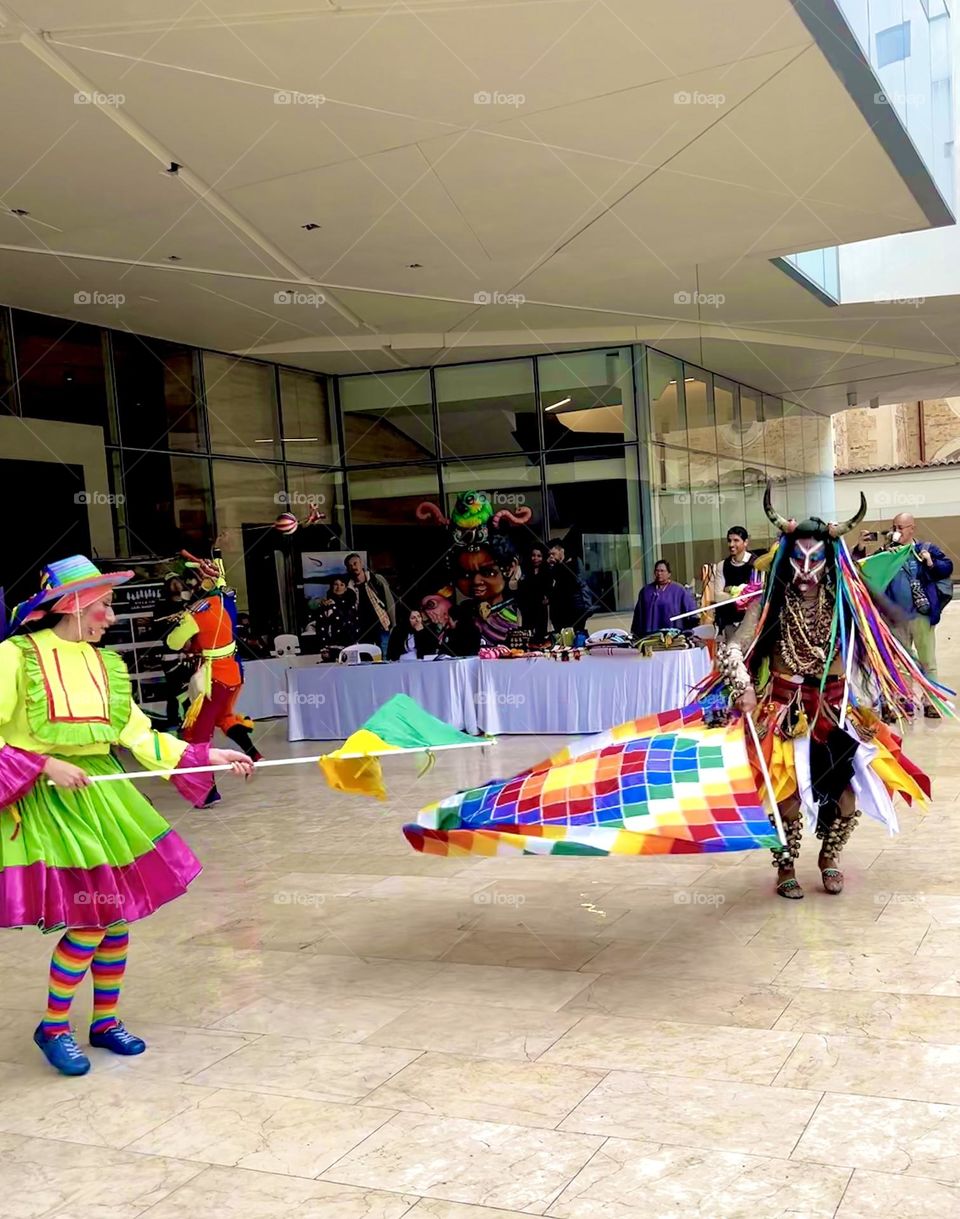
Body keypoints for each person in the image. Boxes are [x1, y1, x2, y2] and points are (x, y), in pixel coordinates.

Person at [0, 556, 252, 1076]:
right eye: (104, 606)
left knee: (115, 916)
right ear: (70, 605)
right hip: (45, 795)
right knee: (94, 917)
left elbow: (139, 736)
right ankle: (52, 1027)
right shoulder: (13, 656)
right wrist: (45, 763)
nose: (111, 617)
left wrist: (207, 755)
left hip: (101, 793)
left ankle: (105, 1021)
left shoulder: (105, 666)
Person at [722, 486, 938, 899]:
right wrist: (745, 687)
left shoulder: (847, 602)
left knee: (845, 799)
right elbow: (734, 648)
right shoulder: (771, 602)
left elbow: (883, 641)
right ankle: (785, 863)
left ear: (829, 562)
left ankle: (829, 858)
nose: (805, 570)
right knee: (785, 796)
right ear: (787, 559)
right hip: (785, 711)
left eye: (815, 560)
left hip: (836, 713)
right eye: (797, 559)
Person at [166, 550, 261, 809]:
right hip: (232, 672)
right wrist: (216, 556)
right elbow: (219, 578)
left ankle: (206, 792)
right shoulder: (226, 599)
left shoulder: (195, 615)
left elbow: (173, 643)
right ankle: (252, 753)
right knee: (221, 719)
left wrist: (181, 622)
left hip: (213, 679)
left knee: (197, 734)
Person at [876, 514, 952, 719]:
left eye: (901, 527)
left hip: (922, 615)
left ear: (912, 529)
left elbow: (947, 567)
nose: (896, 531)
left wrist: (930, 563)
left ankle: (931, 702)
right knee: (902, 662)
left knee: (927, 660)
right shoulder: (886, 553)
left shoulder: (925, 548)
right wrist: (866, 551)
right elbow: (866, 573)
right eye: (894, 527)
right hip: (896, 618)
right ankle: (905, 702)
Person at [453, 535, 522, 646]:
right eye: (466, 574)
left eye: (487, 573)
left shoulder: (520, 609)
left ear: (509, 568)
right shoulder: (460, 613)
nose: (476, 581)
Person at [152, 573, 194, 729]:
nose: (176, 585)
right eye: (172, 582)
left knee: (184, 689)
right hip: (170, 655)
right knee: (174, 690)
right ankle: (178, 719)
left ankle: (185, 720)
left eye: (178, 581)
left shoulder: (186, 604)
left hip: (189, 655)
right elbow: (156, 629)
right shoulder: (161, 605)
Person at [703, 526, 757, 641]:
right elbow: (718, 596)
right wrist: (742, 594)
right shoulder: (722, 565)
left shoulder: (756, 564)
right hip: (729, 624)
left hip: (751, 623)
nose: (731, 544)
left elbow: (756, 596)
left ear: (746, 542)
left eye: (736, 540)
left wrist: (730, 589)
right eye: (729, 540)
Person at [631, 560, 697, 636]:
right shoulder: (645, 591)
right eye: (657, 571)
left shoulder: (679, 590)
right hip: (649, 637)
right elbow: (638, 615)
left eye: (662, 571)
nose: (659, 573)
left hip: (672, 635)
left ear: (669, 573)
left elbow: (691, 611)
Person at [346, 553, 395, 653]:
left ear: (361, 564)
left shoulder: (376, 580)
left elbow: (389, 600)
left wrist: (393, 624)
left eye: (355, 563)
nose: (353, 567)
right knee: (366, 657)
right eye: (350, 566)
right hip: (362, 629)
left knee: (385, 655)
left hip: (381, 625)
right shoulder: (349, 587)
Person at [546, 538, 592, 635]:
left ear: (561, 551)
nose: (551, 557)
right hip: (561, 608)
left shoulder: (573, 561)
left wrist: (555, 567)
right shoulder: (556, 566)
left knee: (575, 634)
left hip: (575, 606)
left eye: (553, 554)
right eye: (549, 554)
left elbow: (573, 582)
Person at [314, 575, 359, 650]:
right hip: (333, 644)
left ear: (345, 588)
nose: (339, 588)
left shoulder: (352, 604)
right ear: (331, 587)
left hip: (352, 643)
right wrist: (324, 646)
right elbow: (322, 627)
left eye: (342, 585)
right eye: (336, 584)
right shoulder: (327, 605)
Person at [517, 544, 550, 640]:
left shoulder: (547, 571)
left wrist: (548, 599)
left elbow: (550, 589)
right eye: (533, 555)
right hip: (527, 608)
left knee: (541, 635)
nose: (535, 558)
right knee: (527, 635)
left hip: (541, 608)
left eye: (539, 556)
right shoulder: (524, 570)